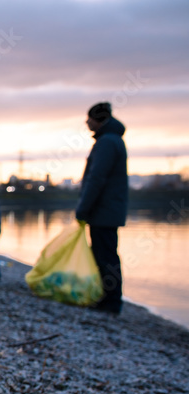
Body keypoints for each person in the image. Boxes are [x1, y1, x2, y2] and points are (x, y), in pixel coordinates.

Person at [75, 101, 128, 314]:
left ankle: (111, 301)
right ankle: (109, 298)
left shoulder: (106, 142)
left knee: (105, 255)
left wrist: (83, 208)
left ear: (99, 120)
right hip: (107, 210)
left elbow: (96, 178)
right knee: (106, 254)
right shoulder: (112, 140)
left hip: (103, 211)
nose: (87, 122)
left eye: (89, 118)